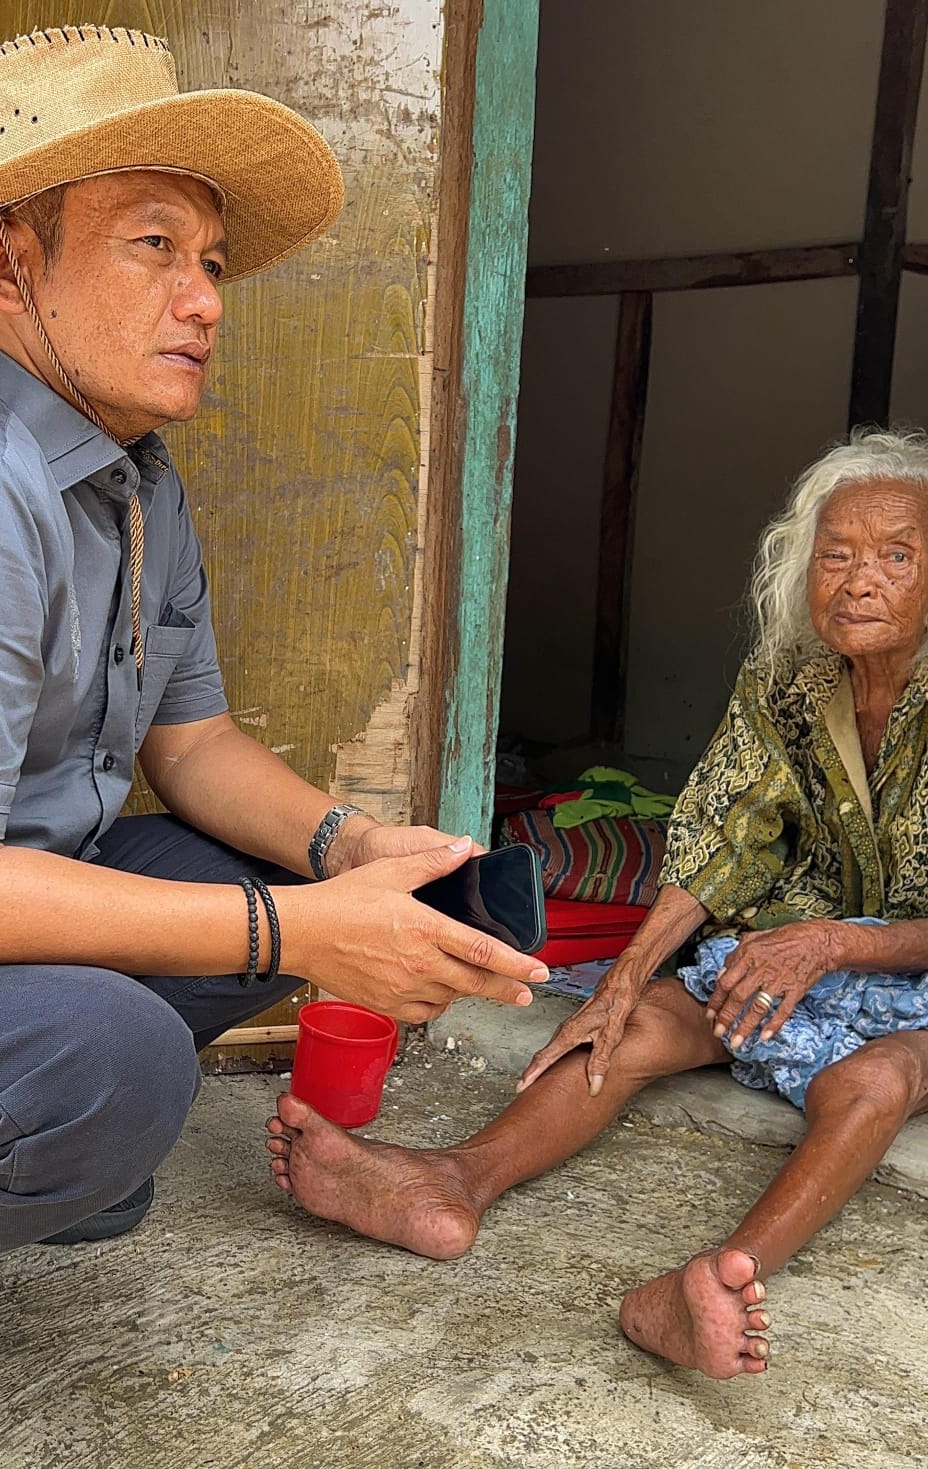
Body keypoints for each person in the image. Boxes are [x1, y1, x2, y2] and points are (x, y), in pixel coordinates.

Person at [0, 25, 548, 1467]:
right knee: (118, 1067)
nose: (201, 300)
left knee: (235, 879)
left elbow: (198, 741)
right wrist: (297, 920)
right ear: (6, 262)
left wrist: (354, 858)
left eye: (212, 262)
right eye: (151, 246)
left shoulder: (128, 481)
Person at [268, 429, 928, 1381]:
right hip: (808, 942)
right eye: (837, 554)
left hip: (905, 966)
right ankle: (452, 1180)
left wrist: (830, 943)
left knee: (874, 1082)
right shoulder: (791, 674)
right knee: (635, 1024)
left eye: (896, 556)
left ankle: (710, 1281)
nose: (859, 580)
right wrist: (621, 979)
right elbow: (723, 828)